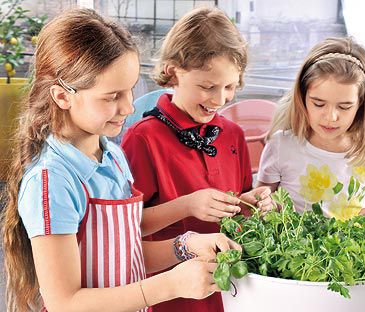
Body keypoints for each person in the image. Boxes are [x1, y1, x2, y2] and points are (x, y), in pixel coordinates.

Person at [0, 8, 242, 312]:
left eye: (130, 91)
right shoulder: (51, 183)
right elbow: (65, 302)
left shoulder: (111, 154)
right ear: (62, 97)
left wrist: (185, 245)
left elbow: (122, 247)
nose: (129, 107)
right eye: (112, 96)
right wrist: (168, 285)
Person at [121, 7, 272, 312]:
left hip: (230, 292)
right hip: (169, 296)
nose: (219, 100)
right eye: (207, 86)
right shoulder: (143, 138)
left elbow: (237, 213)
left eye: (230, 87)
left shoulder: (232, 135)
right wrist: (188, 205)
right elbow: (127, 229)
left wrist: (251, 204)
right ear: (174, 71)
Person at [256, 37, 365, 220]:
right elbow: (259, 203)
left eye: (344, 107)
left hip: (350, 248)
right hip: (291, 246)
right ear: (302, 98)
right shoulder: (281, 145)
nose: (330, 117)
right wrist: (264, 205)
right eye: (319, 104)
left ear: (361, 104)